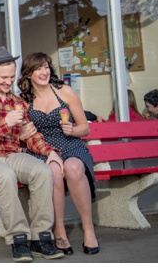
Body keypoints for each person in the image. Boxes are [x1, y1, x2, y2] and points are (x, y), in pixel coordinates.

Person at [0, 46, 65, 262]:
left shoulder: (17, 102)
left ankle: (41, 236)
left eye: (11, 76)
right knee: (4, 175)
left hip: (10, 155)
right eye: (3, 77)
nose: (9, 82)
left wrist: (50, 152)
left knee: (43, 171)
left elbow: (31, 135)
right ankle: (18, 237)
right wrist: (5, 124)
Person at [18, 52, 99, 256]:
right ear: (28, 74)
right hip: (42, 149)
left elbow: (85, 129)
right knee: (53, 172)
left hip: (70, 144)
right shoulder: (23, 101)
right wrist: (22, 135)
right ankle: (59, 230)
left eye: (46, 67)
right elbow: (19, 136)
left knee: (73, 168)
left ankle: (88, 229)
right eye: (38, 68)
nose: (44, 72)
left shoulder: (64, 92)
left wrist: (72, 129)